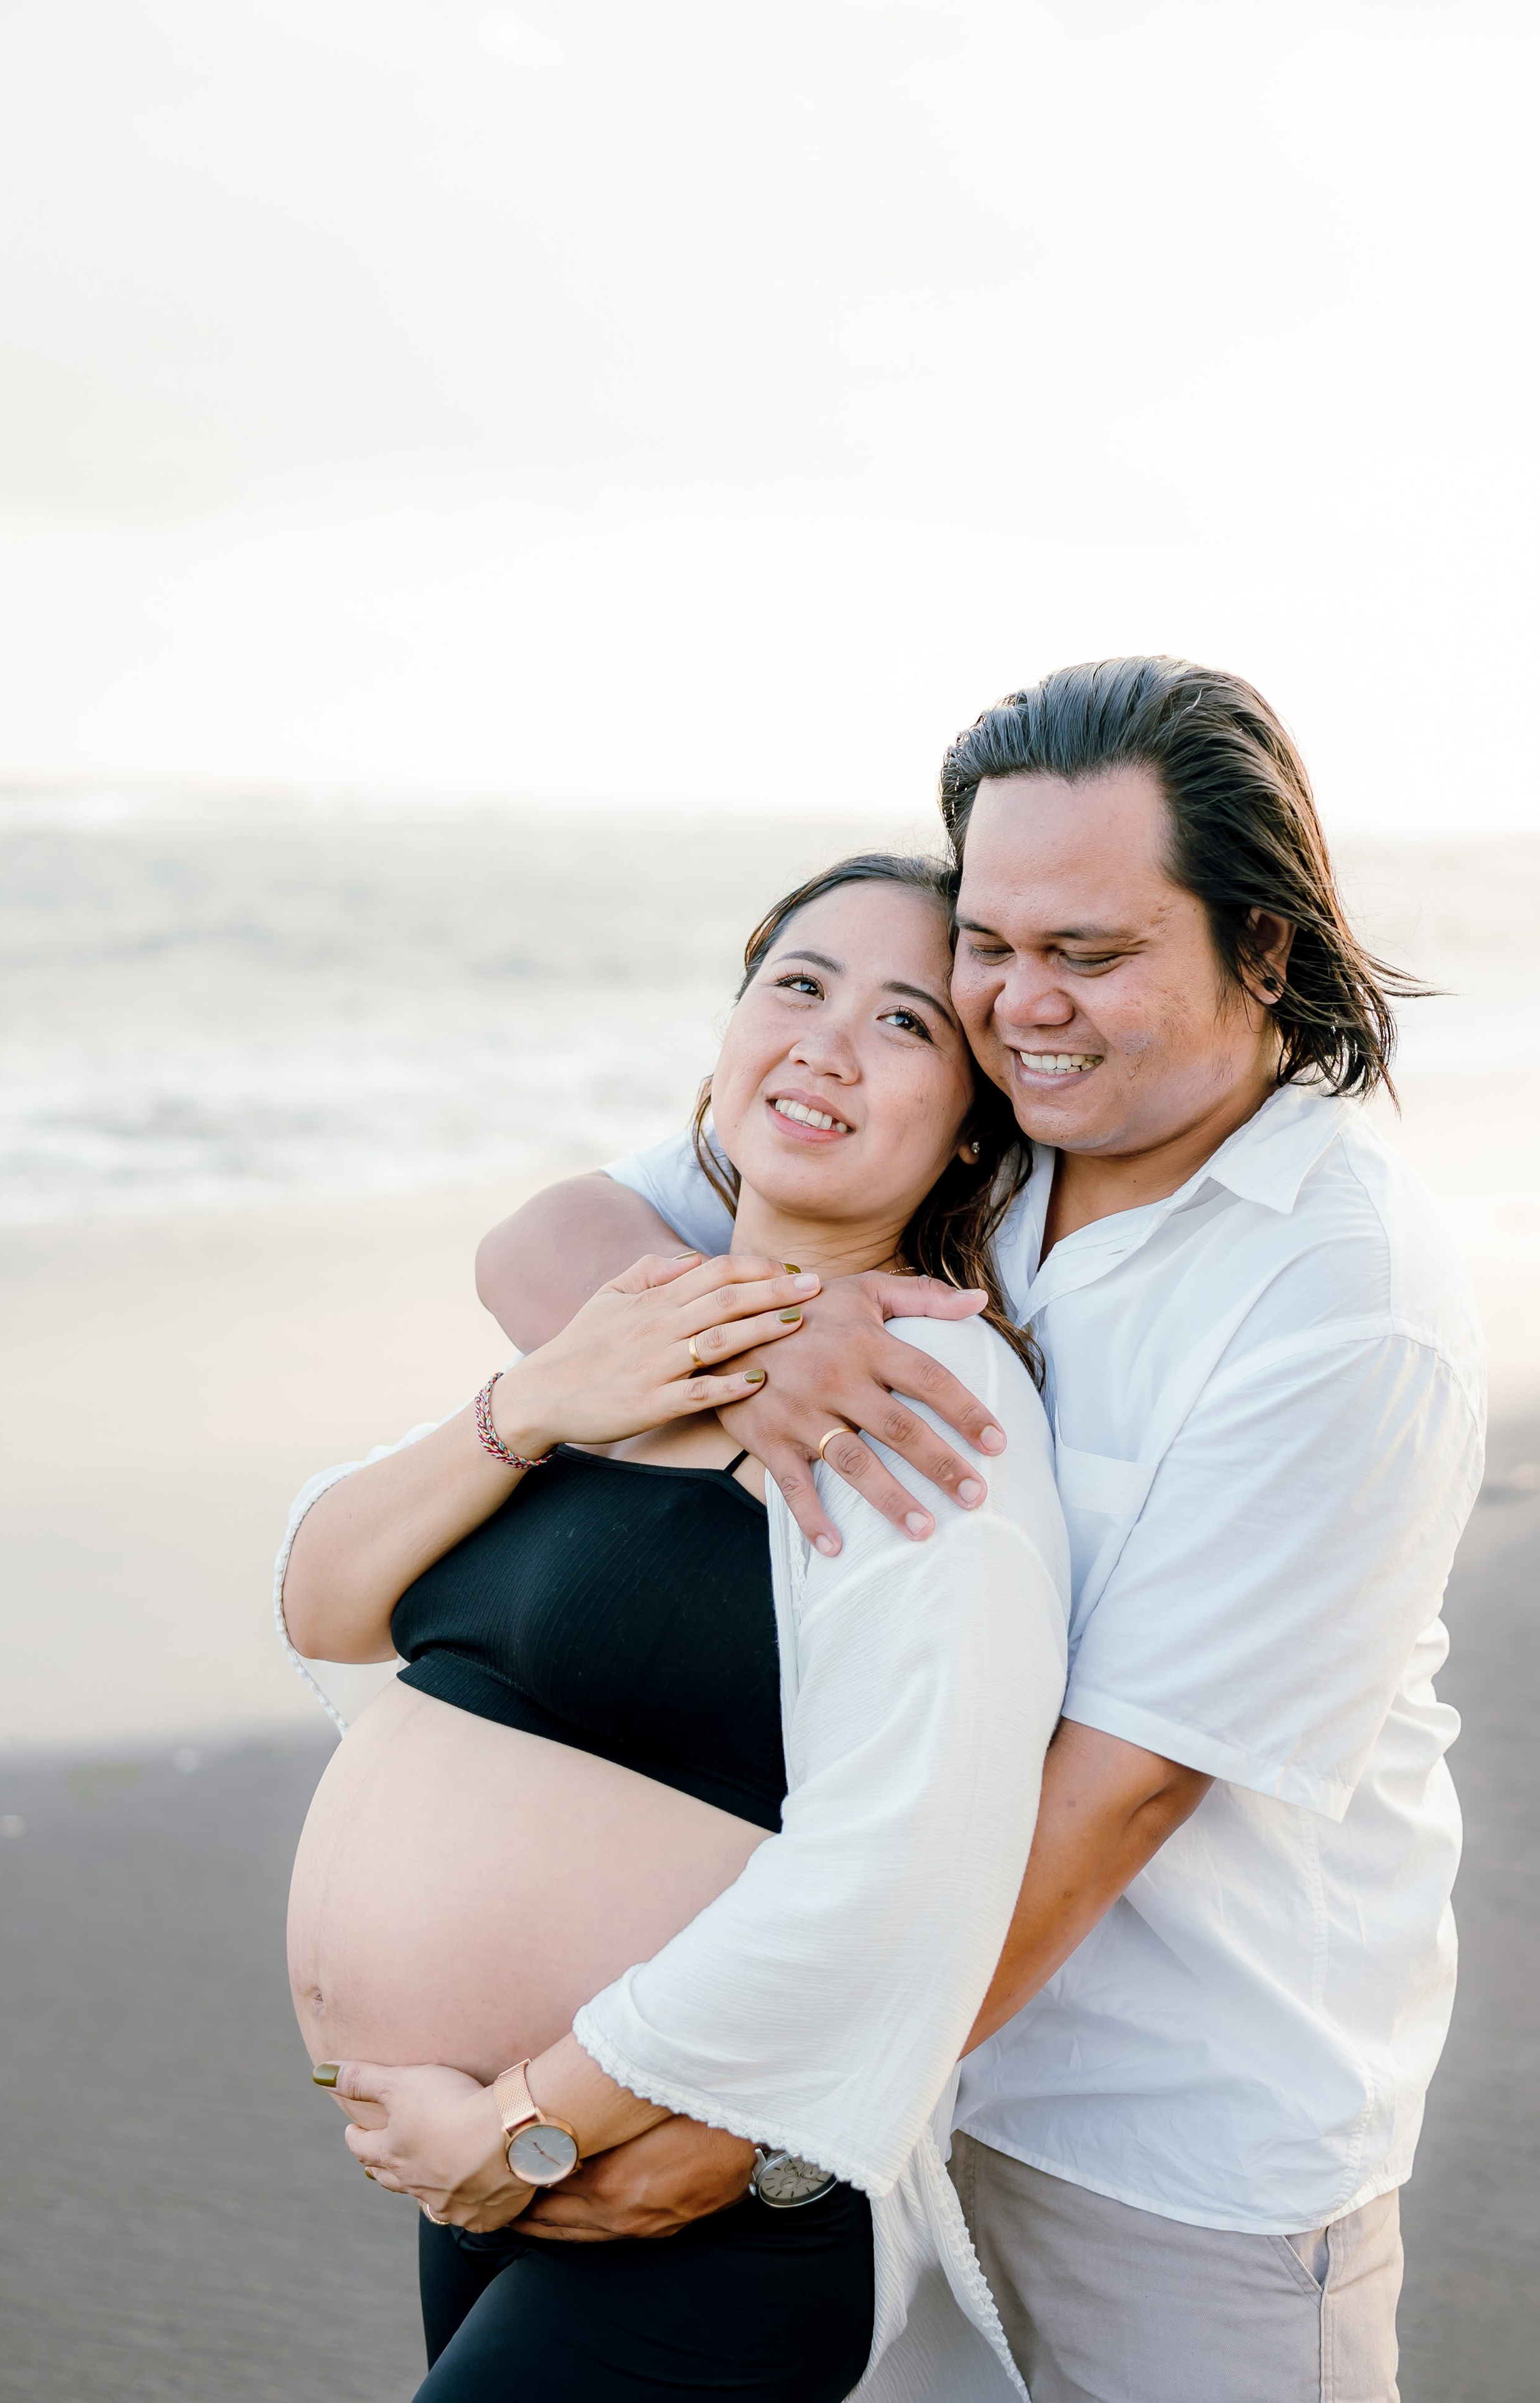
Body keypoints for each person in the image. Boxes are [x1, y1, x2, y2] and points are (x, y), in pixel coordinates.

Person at [478, 658, 1485, 2402]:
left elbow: (1121, 1793)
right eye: (991, 944)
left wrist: (758, 2101)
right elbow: (549, 1243)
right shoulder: (975, 1132)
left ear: (1263, 946)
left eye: (1089, 954)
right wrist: (752, 1344)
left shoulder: (1340, 1299)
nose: (1023, 1005)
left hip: (1169, 2144)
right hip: (883, 2059)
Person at [275, 854, 1071, 2401]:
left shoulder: (925, 1404)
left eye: (906, 1022)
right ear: (723, 1037)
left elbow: (904, 1865)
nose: (827, 1043)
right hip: (485, 2180)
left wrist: (532, 2114)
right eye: (797, 985)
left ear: (970, 1120)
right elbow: (326, 1598)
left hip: (687, 2208)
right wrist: (532, 1401)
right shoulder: (625, 1332)